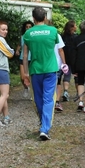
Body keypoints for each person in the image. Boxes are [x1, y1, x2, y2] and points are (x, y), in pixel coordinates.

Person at [22, 7, 60, 140]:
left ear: (33, 18)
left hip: (35, 69)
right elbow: (55, 46)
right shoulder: (53, 31)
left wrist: (25, 72)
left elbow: (25, 55)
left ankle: (43, 123)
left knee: (38, 98)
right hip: (50, 69)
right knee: (48, 98)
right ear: (44, 17)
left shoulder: (28, 33)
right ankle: (45, 128)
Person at [16, 21, 34, 99]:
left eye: (30, 27)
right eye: (26, 27)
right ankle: (26, 88)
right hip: (22, 58)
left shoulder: (34, 36)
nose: (28, 28)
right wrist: (17, 50)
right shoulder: (22, 36)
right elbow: (20, 44)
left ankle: (33, 94)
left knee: (31, 77)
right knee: (22, 77)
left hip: (32, 58)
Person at [61, 20, 78, 102]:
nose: (76, 27)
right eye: (75, 25)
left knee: (66, 76)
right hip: (74, 59)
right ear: (72, 27)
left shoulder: (62, 36)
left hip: (65, 59)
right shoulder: (76, 37)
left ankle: (65, 92)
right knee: (76, 76)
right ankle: (78, 93)